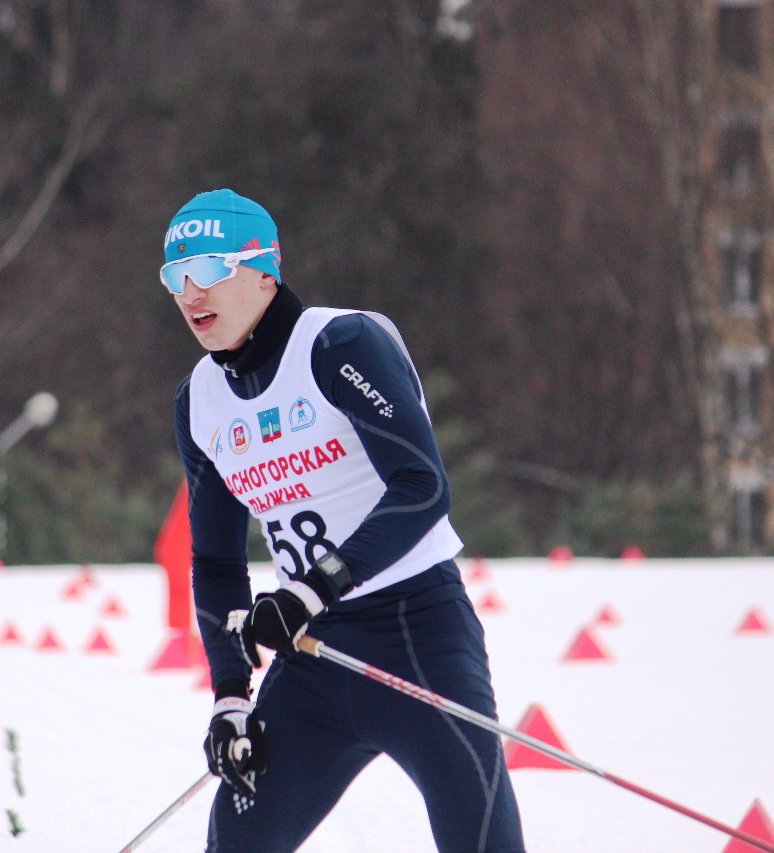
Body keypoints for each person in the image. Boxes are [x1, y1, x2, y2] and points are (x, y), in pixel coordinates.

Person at [164, 189, 526, 852]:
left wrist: (312, 586)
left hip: (418, 636)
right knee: (237, 839)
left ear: (264, 269)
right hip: (312, 657)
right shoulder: (201, 400)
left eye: (209, 270)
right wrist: (229, 697)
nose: (190, 292)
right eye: (173, 276)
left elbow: (422, 486)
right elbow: (215, 562)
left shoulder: (339, 345)